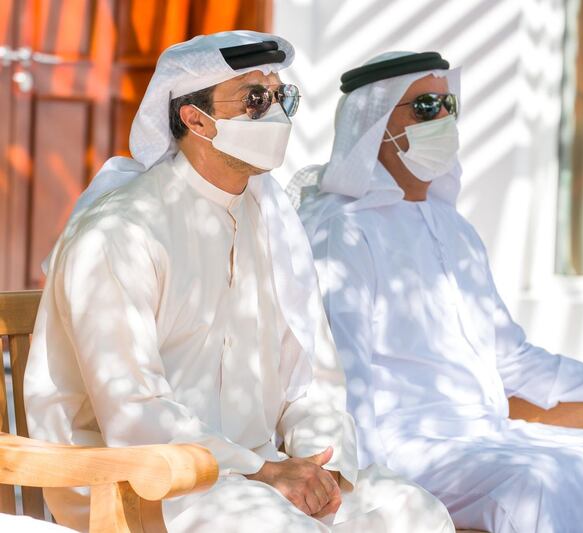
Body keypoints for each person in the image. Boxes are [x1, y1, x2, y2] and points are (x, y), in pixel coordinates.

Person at [24, 34, 453, 533]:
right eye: (254, 99)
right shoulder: (121, 231)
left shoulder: (272, 220)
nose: (276, 114)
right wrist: (265, 472)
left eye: (280, 96)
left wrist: (322, 463)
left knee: (413, 512)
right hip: (146, 480)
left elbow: (311, 373)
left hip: (261, 471)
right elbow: (133, 410)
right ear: (196, 119)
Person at [296, 51, 583, 533]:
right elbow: (340, 381)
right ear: (374, 122)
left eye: (449, 105)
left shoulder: (455, 230)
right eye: (426, 107)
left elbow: (512, 360)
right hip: (404, 448)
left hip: (489, 436)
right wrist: (362, 488)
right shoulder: (342, 232)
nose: (445, 119)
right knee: (536, 484)